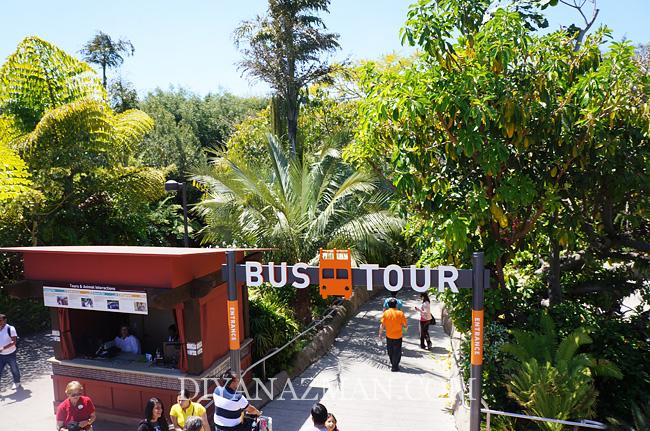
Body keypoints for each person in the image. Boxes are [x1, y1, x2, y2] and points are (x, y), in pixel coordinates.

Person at [378, 298, 407, 372]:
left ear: (388, 305)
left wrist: (380, 334)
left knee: (390, 351)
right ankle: (395, 365)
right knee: (397, 351)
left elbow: (382, 325)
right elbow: (405, 325)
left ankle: (393, 364)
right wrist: (404, 332)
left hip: (389, 336)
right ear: (396, 305)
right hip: (398, 336)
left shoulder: (386, 313)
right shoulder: (400, 313)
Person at [0, 313, 21, 391]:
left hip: (11, 354)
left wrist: (3, 348)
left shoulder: (10, 328)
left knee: (14, 369)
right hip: (0, 355)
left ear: (5, 320)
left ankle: (17, 382)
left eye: (0, 320)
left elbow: (14, 341)